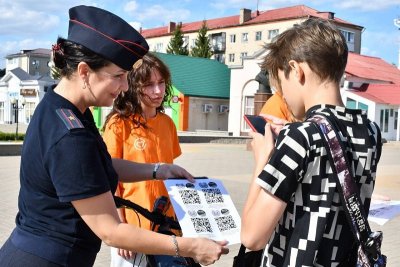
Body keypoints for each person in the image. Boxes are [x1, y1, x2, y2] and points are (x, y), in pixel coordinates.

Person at [0, 5, 228, 267]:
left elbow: (97, 167)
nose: (124, 87)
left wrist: (157, 170)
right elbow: (110, 231)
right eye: (118, 76)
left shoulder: (61, 107)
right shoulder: (71, 136)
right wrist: (189, 247)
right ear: (84, 72)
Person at [241, 18, 382, 266]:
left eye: (282, 83)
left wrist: (263, 159)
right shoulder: (371, 132)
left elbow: (252, 237)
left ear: (297, 70)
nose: (283, 94)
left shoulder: (299, 137)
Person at [102, 52, 182, 267]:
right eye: (148, 85)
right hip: (132, 227)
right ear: (133, 87)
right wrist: (119, 228)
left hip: (166, 226)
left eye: (161, 83)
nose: (157, 91)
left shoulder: (167, 124)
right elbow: (110, 181)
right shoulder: (118, 124)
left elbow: (169, 173)